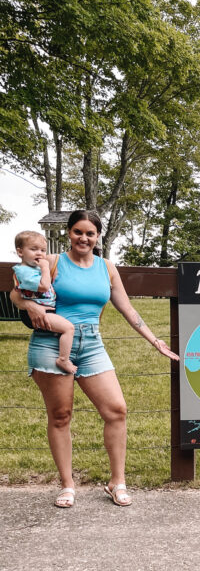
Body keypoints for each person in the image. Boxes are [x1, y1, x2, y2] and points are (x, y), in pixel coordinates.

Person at [10, 210, 179, 508]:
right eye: (78, 232)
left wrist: (155, 341)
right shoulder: (52, 261)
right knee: (61, 415)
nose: (83, 238)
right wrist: (29, 307)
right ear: (69, 233)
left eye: (90, 233)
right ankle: (67, 484)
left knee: (116, 410)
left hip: (91, 344)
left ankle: (117, 481)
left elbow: (128, 309)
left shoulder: (107, 267)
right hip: (51, 341)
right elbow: (15, 290)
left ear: (98, 236)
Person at [13, 230, 77, 373]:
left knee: (63, 328)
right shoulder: (24, 271)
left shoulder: (31, 269)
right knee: (68, 328)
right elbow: (43, 286)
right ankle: (63, 360)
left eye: (43, 250)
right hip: (37, 312)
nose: (40, 254)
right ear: (20, 252)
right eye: (33, 249)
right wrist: (45, 268)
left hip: (45, 309)